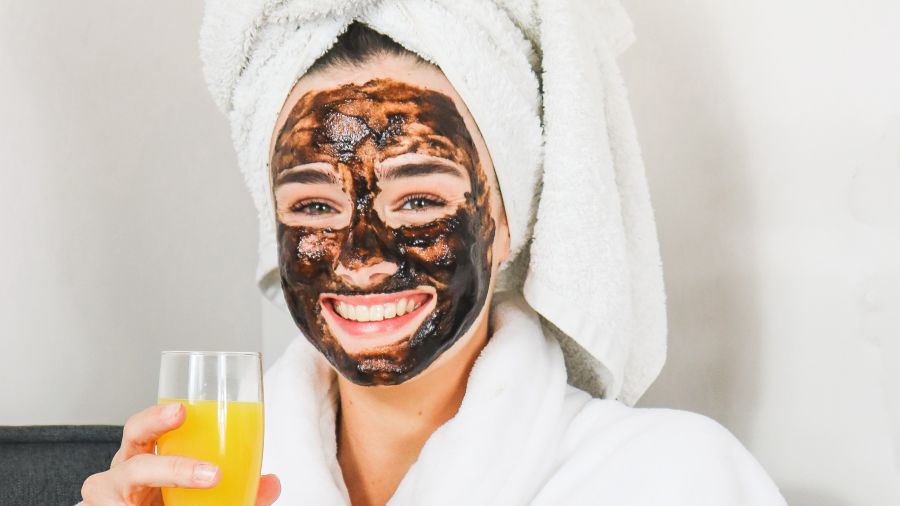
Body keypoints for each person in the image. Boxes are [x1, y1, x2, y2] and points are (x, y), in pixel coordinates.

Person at [81, 3, 787, 505]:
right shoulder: (199, 488)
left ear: (508, 221)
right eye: (315, 207)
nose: (361, 257)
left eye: (418, 202)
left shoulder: (668, 480)